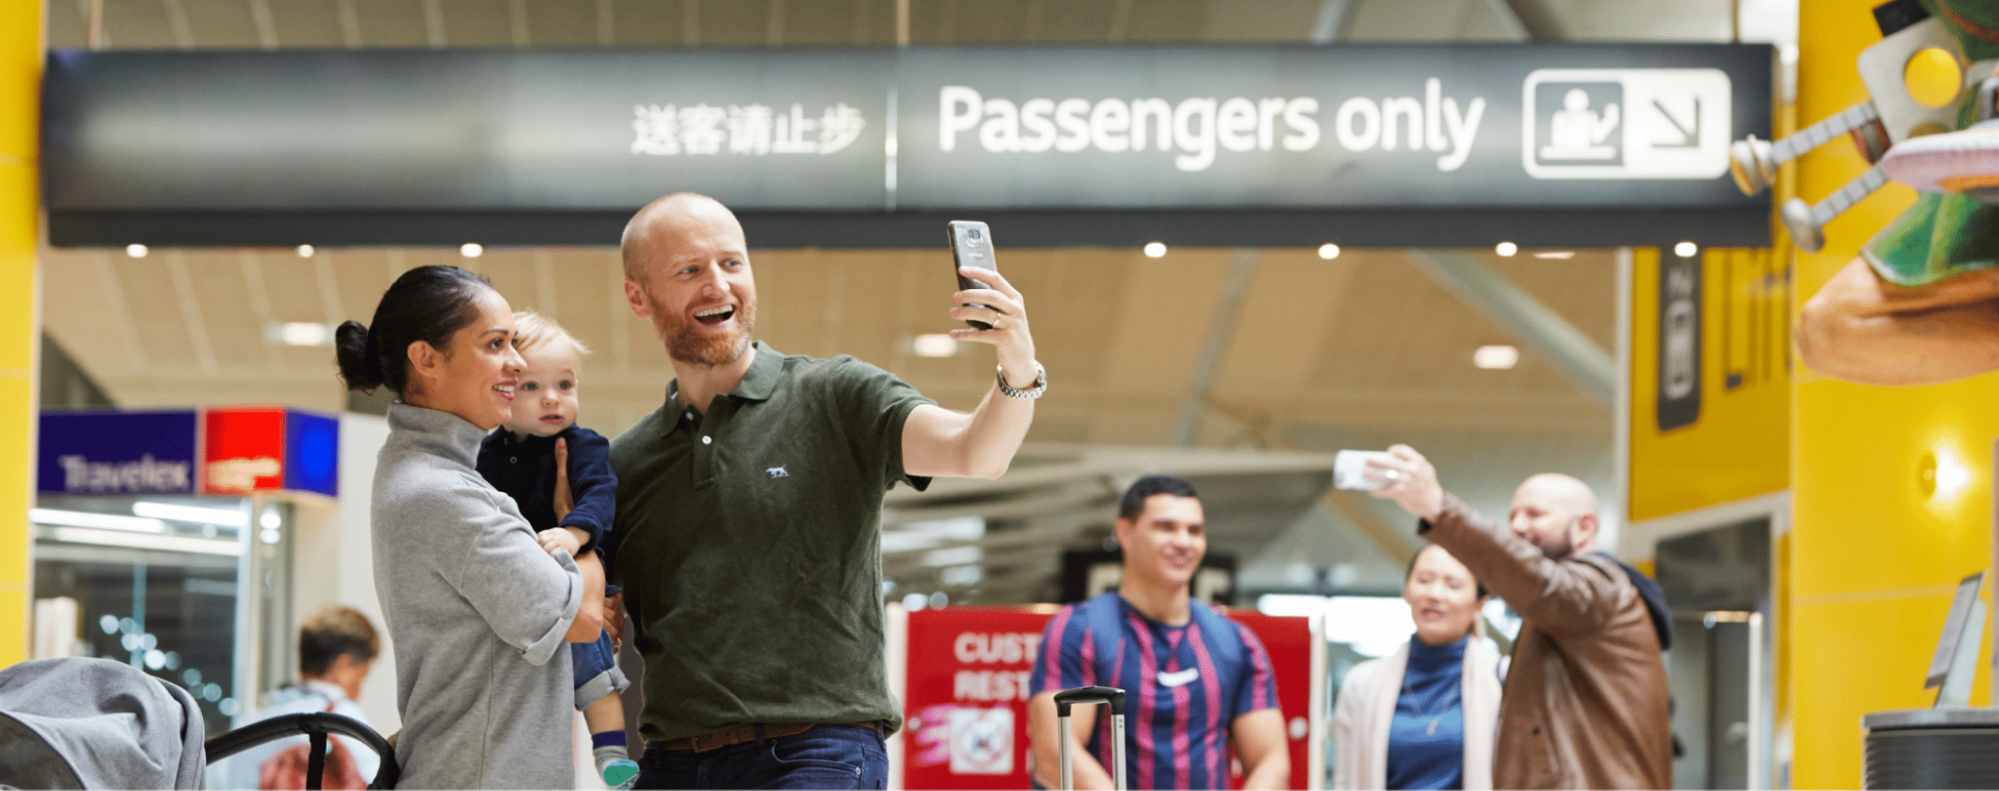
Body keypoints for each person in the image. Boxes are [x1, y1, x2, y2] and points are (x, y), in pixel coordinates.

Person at [603, 193, 1044, 789]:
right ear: (638, 296)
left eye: (732, 264)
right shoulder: (626, 462)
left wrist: (1018, 369)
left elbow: (977, 453)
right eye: (689, 270)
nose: (718, 286)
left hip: (817, 755)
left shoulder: (835, 396)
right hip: (673, 764)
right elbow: (592, 617)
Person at [335, 264, 606, 790]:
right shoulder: (444, 493)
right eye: (495, 344)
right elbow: (585, 619)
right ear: (427, 358)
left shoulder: (424, 472)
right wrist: (582, 529)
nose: (518, 362)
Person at [1366, 447, 1672, 791]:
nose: (1517, 526)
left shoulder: (1598, 588)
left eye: (1535, 514)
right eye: (1513, 516)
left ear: (1585, 526)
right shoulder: (1563, 609)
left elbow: (1540, 582)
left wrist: (1437, 506)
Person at [1025, 475, 1290, 791]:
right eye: (1166, 527)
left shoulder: (1236, 641)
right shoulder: (1079, 629)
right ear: (1124, 532)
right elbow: (1056, 755)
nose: (1183, 541)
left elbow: (1270, 762)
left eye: (1195, 530)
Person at [473, 311, 637, 791]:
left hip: (574, 568)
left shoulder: (584, 445)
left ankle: (611, 752)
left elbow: (599, 496)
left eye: (565, 385)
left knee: (592, 663)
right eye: (532, 387)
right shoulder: (489, 453)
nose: (552, 398)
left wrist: (575, 532)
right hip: (523, 583)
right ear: (504, 389)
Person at [1332, 545, 1501, 791]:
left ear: (1480, 604)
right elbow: (1345, 782)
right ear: (1406, 592)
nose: (1434, 593)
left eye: (1453, 585)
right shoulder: (1361, 684)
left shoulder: (1504, 681)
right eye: (1424, 580)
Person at [217, 606, 382, 791]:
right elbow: (375, 782)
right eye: (362, 676)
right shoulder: (343, 718)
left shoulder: (252, 722)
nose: (359, 690)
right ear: (344, 665)